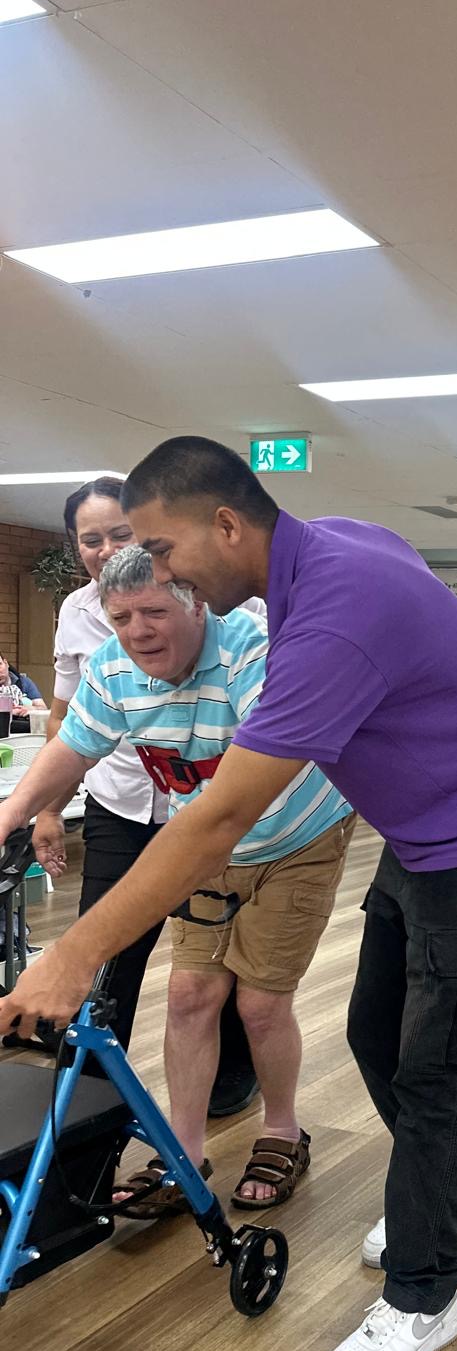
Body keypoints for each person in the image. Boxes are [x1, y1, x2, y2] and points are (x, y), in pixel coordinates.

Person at [0, 436, 457, 1351]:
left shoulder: (328, 624)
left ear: (227, 526)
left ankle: (426, 1295)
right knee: (373, 1030)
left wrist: (77, 951)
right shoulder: (330, 544)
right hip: (421, 833)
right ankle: (446, 1179)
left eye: (165, 554)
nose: (149, 576)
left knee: (441, 1069)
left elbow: (219, 818)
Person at [0, 546, 356, 1211]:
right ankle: (183, 1155)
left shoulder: (253, 653)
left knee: (258, 1001)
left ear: (197, 603)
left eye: (155, 611)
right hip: (203, 840)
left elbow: (240, 804)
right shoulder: (113, 668)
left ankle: (282, 1131)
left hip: (296, 838)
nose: (138, 630)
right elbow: (74, 746)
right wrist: (14, 811)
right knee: (191, 994)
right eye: (121, 616)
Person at [23, 476, 256, 1112]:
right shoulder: (75, 612)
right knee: (110, 951)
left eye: (120, 535)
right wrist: (43, 808)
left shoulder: (216, 601)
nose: (105, 550)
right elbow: (65, 720)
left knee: (218, 946)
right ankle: (88, 1096)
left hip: (207, 800)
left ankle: (232, 1067)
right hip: (121, 799)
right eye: (89, 540)